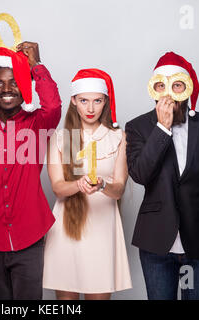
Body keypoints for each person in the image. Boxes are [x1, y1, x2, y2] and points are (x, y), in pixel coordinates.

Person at [125, 52, 199, 300]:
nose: (169, 93)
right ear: (153, 89)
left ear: (187, 88)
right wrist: (162, 128)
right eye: (161, 86)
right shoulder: (138, 127)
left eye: (176, 85)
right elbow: (140, 174)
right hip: (156, 243)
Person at [0, 42, 62, 299]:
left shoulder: (38, 123)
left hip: (29, 239)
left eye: (15, 81)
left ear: (25, 86)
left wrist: (35, 66)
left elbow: (52, 106)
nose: (6, 89)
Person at [43, 68, 132, 300]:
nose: (90, 109)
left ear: (105, 102)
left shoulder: (118, 137)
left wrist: (102, 185)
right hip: (67, 230)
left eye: (97, 101)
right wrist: (79, 185)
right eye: (84, 101)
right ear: (73, 101)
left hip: (103, 230)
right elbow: (58, 187)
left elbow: (120, 187)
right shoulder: (62, 138)